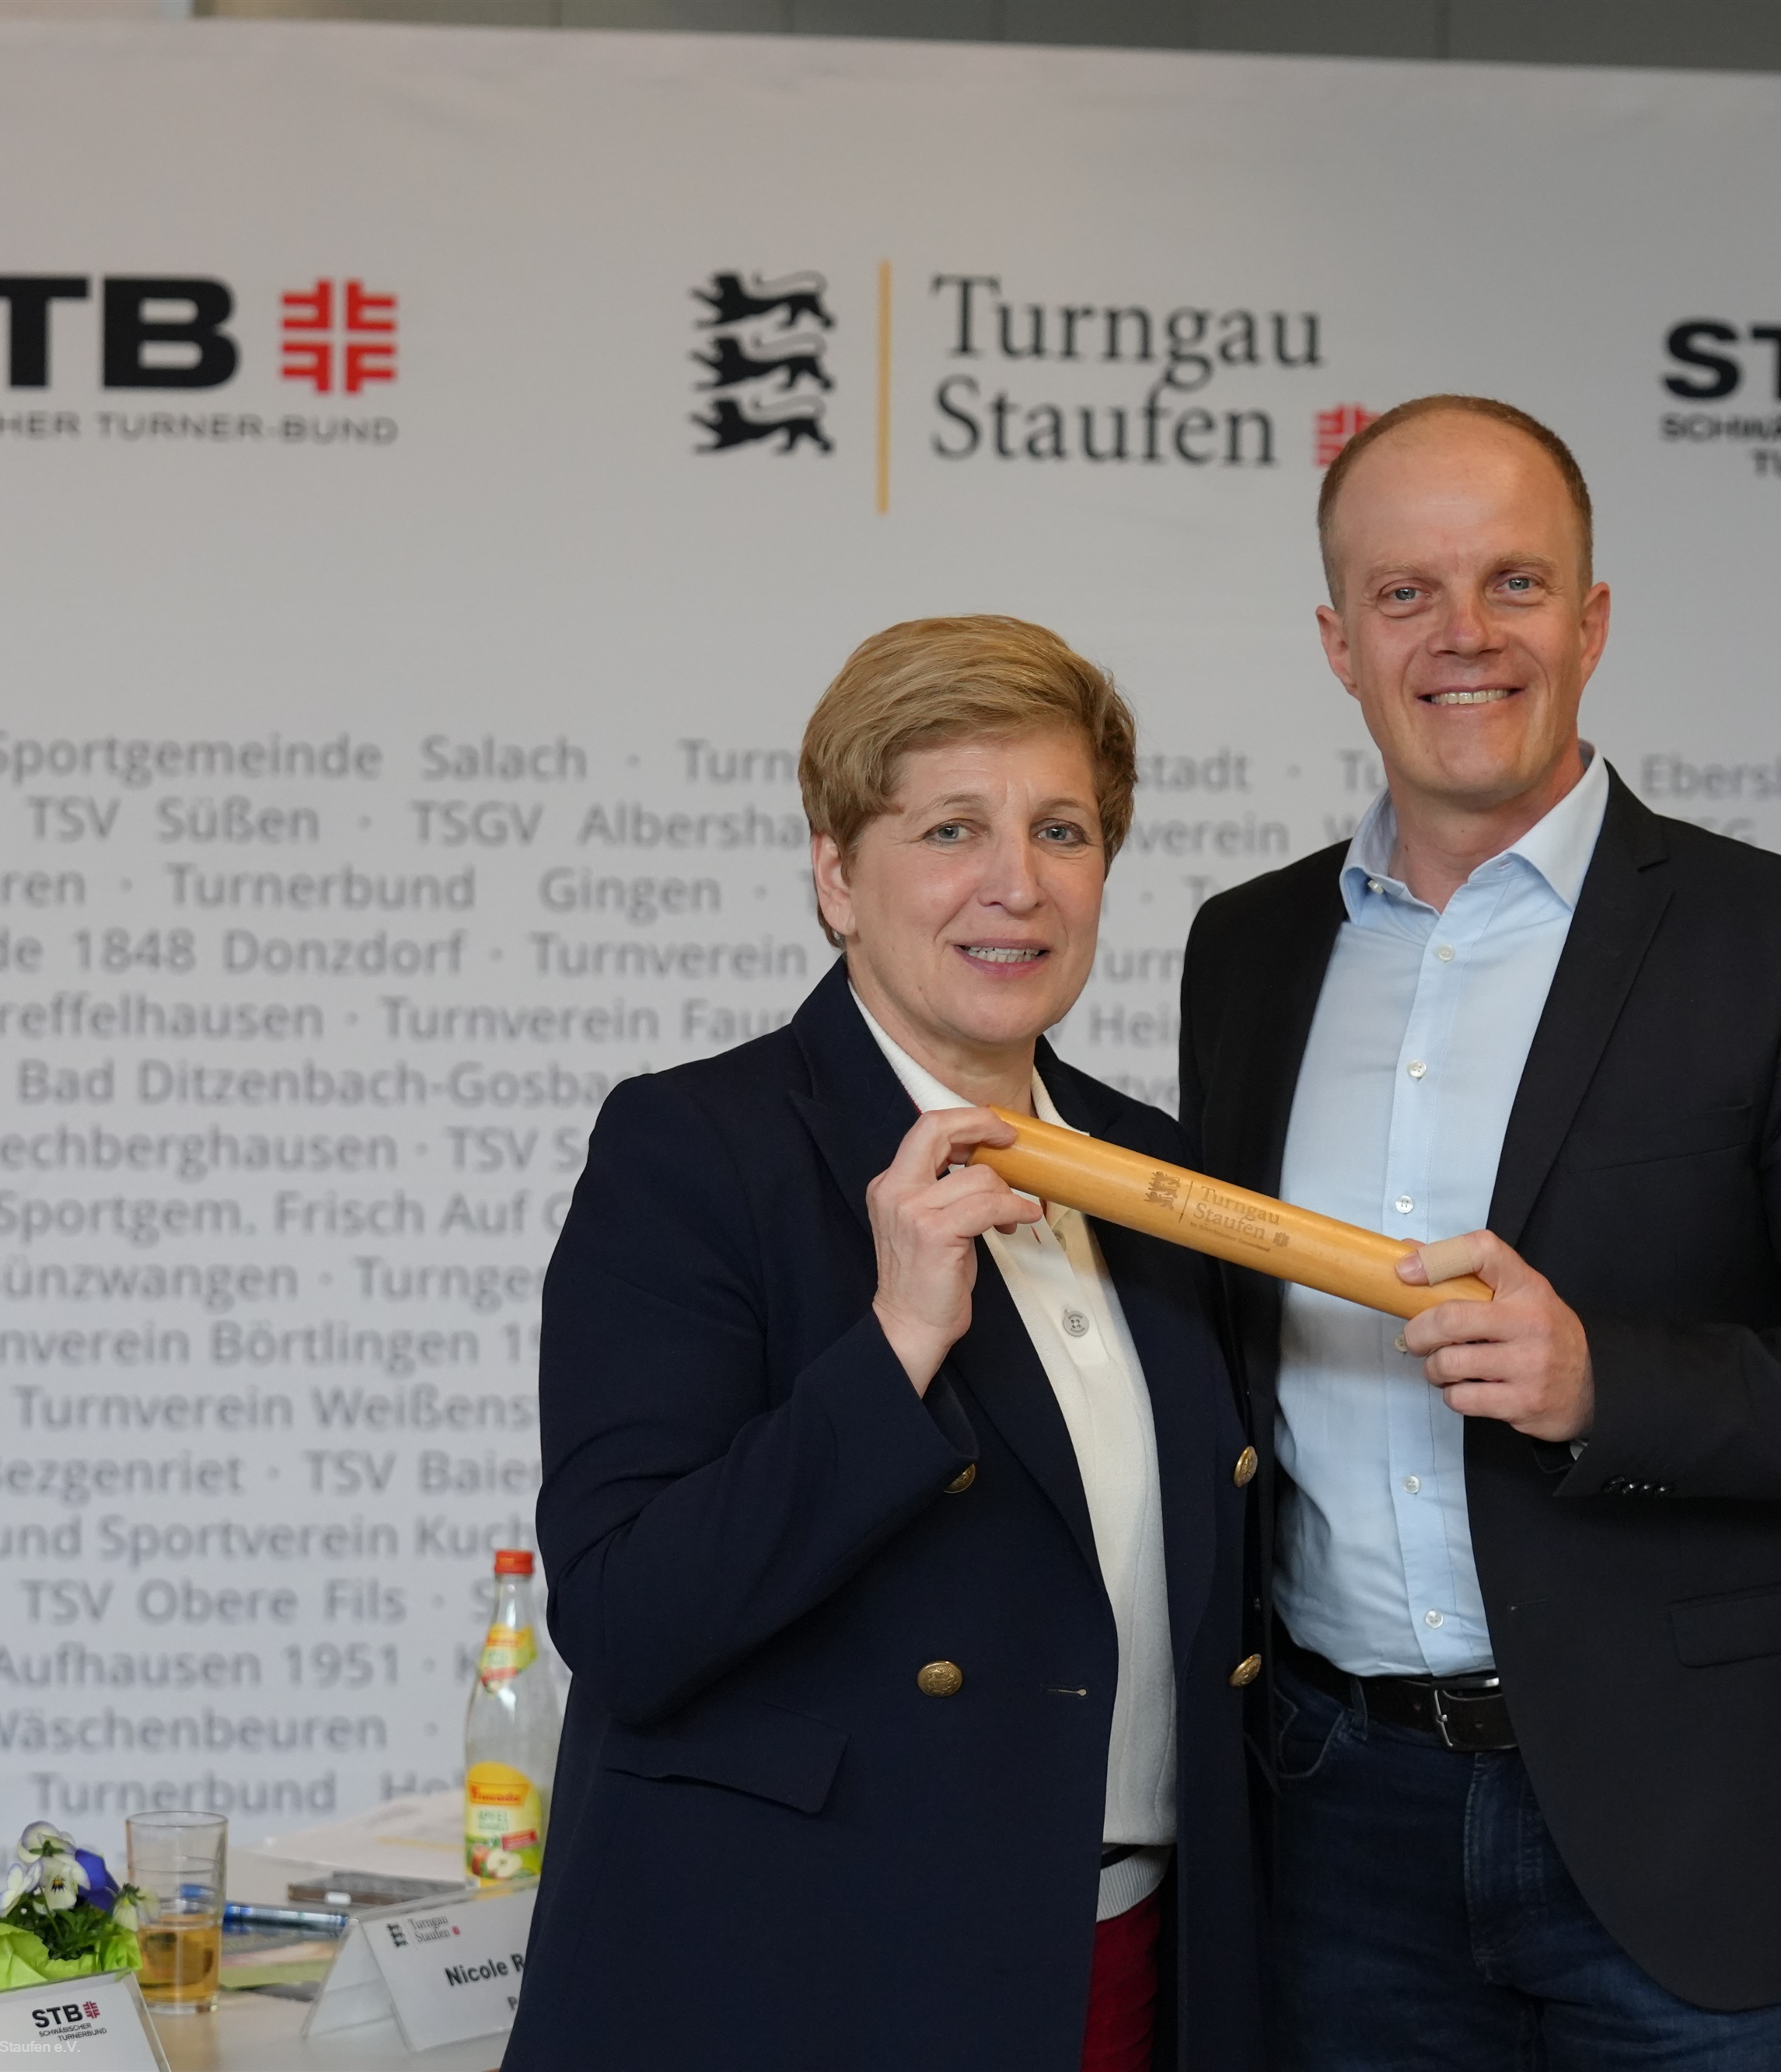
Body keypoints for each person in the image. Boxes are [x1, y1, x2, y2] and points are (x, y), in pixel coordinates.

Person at [1179, 397, 1781, 2068]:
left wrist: (1600, 1383)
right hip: (1334, 1823)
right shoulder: (1245, 949)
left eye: (1514, 581)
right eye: (1404, 593)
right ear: (1338, 644)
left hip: (1692, 1823)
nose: (1463, 633)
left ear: (1592, 620)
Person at [508, 617, 1263, 2071]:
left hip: (1127, 1963)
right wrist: (897, 1340)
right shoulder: (697, 1146)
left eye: (1061, 829)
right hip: (809, 1974)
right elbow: (627, 1616)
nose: (1016, 882)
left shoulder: (1157, 1169)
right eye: (950, 828)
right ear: (838, 876)